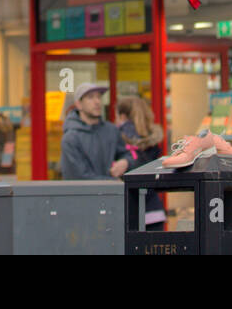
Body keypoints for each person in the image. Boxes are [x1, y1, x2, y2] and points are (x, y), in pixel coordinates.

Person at [59, 82, 129, 180]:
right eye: (90, 97)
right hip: (85, 194)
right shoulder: (71, 138)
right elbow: (79, 177)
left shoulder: (111, 130)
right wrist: (114, 183)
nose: (97, 102)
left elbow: (127, 153)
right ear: (79, 104)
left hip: (113, 193)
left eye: (99, 97)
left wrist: (125, 162)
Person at [117, 96, 166, 230]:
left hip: (128, 211)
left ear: (122, 116)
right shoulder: (153, 139)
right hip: (154, 211)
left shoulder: (118, 136)